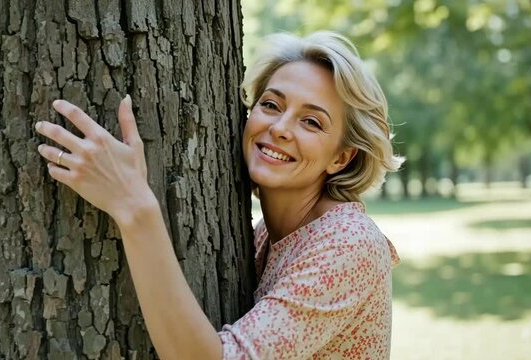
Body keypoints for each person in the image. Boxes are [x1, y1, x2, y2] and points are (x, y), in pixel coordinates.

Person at [35, 30, 402, 360]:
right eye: (271, 104)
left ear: (341, 157)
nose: (280, 128)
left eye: (312, 122)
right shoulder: (267, 236)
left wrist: (134, 205)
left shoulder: (349, 243)